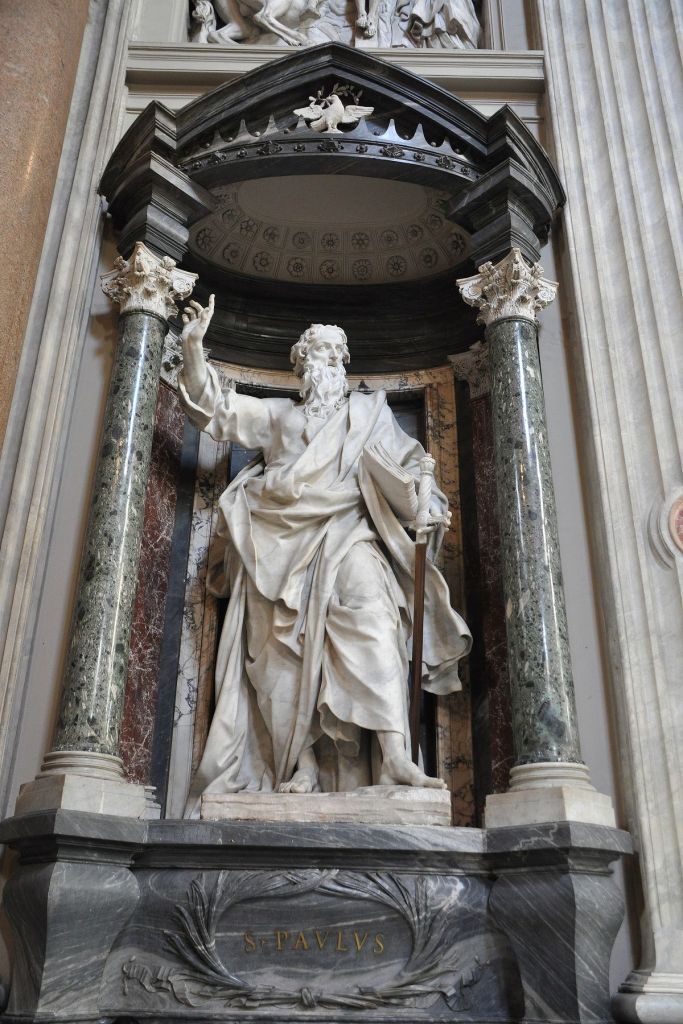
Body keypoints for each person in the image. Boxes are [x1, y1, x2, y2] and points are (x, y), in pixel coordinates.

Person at [179, 297, 471, 815]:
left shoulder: (370, 416)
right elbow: (217, 412)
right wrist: (194, 350)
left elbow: (412, 470)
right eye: (320, 353)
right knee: (282, 656)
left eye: (338, 355)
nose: (331, 361)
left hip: (350, 533)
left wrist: (428, 505)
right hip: (277, 546)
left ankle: (396, 755)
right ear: (301, 365)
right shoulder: (278, 418)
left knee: (374, 619)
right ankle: (302, 764)